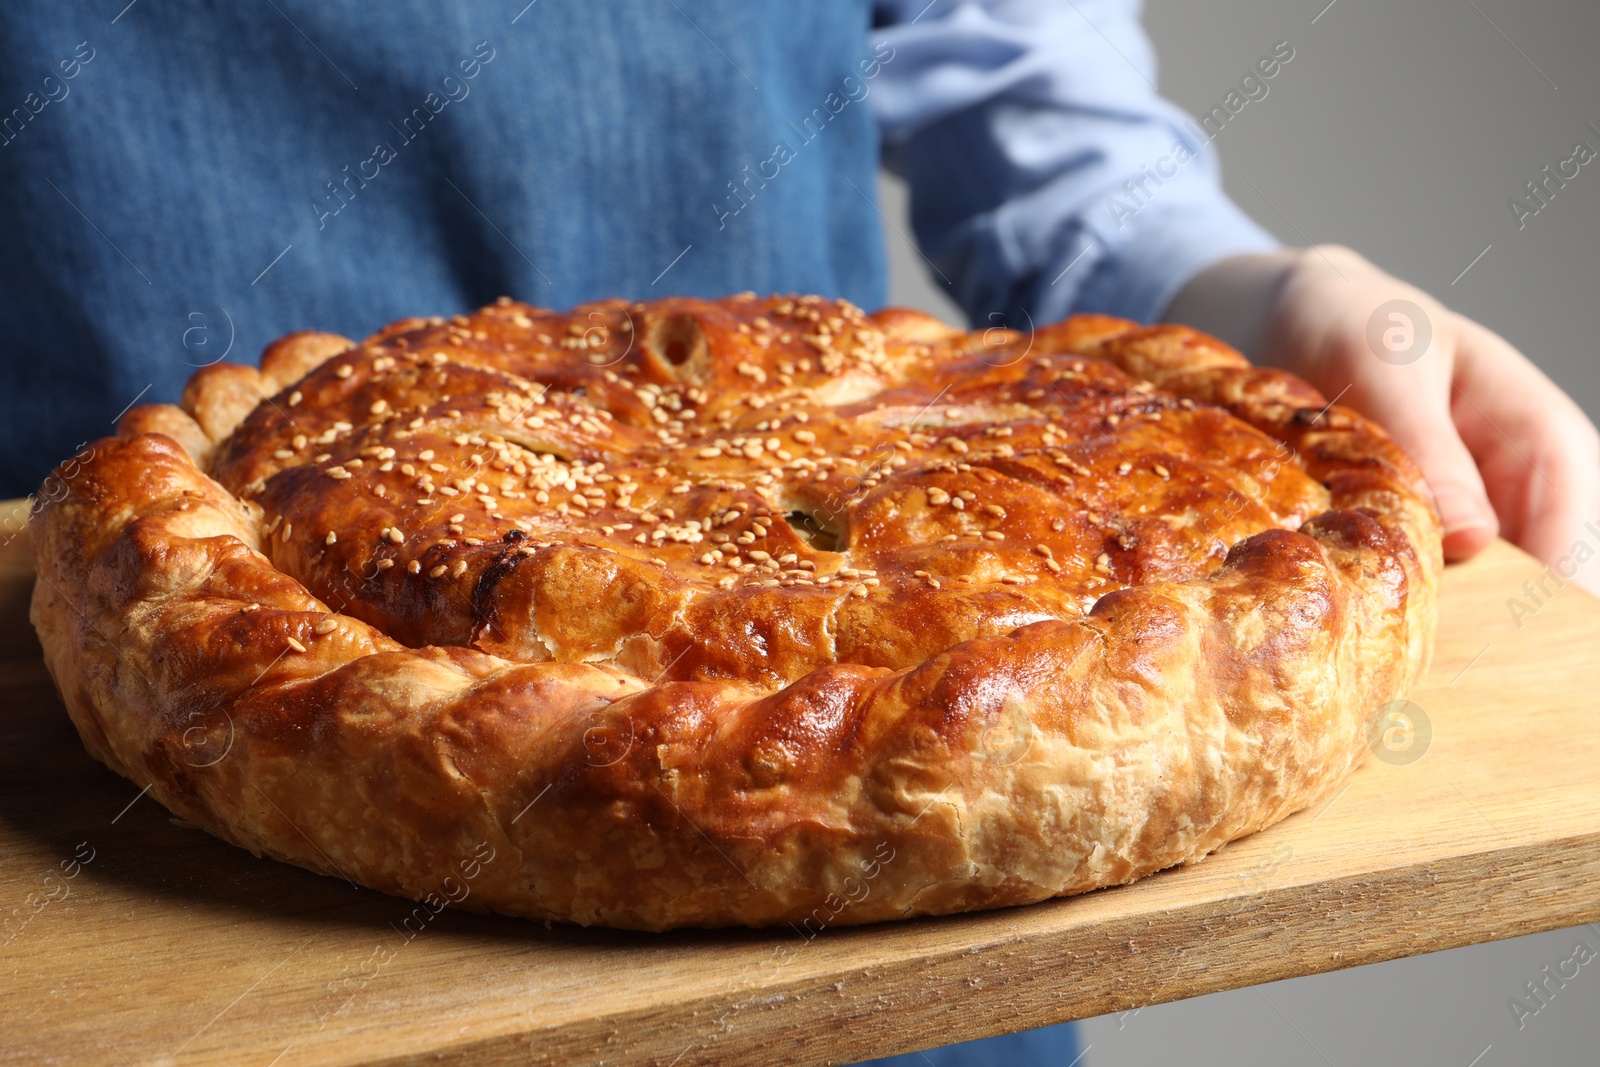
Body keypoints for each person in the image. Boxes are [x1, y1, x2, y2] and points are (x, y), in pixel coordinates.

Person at [1, 2, 1593, 1063]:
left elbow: (1012, 66)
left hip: (891, 504)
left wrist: (1207, 276)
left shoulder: (1183, 591)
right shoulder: (193, 539)